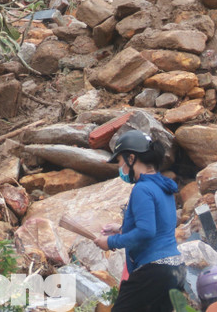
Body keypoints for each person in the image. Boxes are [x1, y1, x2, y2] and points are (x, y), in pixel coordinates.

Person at [93, 130, 183, 312]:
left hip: (153, 271)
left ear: (131, 158)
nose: (120, 168)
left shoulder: (142, 189)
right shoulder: (163, 186)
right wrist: (121, 229)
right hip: (175, 269)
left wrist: (110, 242)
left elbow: (146, 231)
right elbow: (159, 226)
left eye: (120, 162)